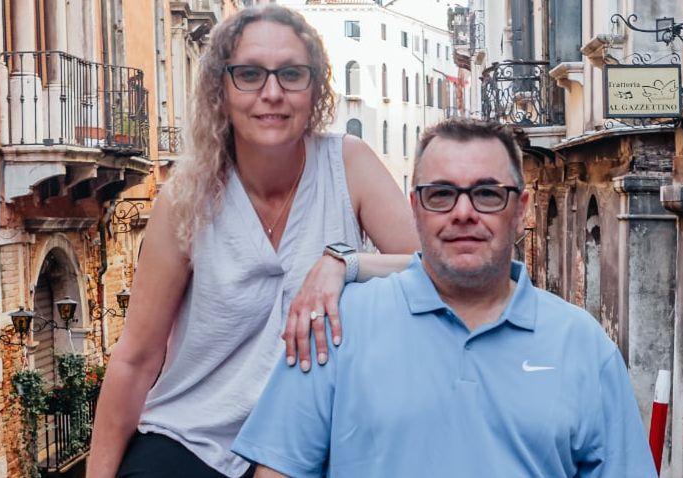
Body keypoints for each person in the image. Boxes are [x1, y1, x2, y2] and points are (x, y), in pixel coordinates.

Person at [88, 5, 418, 478]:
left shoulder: (348, 164)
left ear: (316, 88)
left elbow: (432, 273)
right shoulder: (187, 195)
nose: (272, 94)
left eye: (291, 74)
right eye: (249, 75)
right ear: (221, 90)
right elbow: (137, 357)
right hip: (193, 438)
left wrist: (346, 264)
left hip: (318, 438)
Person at [233, 117, 658, 477]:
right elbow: (278, 470)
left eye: (488, 194)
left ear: (522, 208)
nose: (463, 212)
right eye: (441, 194)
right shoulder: (337, 326)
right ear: (415, 207)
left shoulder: (581, 344)